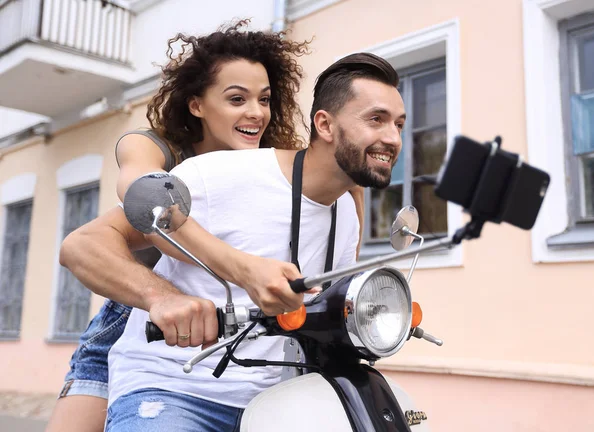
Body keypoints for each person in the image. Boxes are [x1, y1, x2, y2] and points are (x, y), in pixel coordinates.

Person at [46, 20, 360, 432]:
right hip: (139, 312)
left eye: (264, 100)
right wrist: (240, 267)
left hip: (229, 339)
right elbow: (144, 195)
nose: (256, 113)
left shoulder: (272, 168)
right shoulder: (156, 147)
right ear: (197, 105)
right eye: (236, 99)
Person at [105, 52, 405, 431]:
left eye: (399, 123)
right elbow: (91, 240)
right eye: (376, 119)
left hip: (273, 401)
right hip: (176, 388)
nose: (393, 138)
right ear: (324, 125)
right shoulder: (215, 172)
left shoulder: (344, 210)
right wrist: (163, 297)